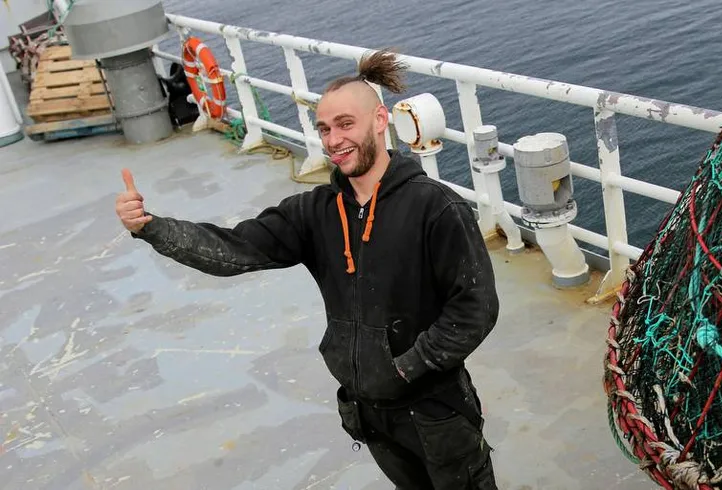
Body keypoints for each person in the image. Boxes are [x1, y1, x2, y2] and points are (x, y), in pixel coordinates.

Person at [115, 50, 499, 489]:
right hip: (369, 412)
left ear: (379, 120)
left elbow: (476, 308)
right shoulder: (314, 212)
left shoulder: (436, 207)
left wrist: (406, 368)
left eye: (345, 124)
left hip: (436, 412)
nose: (333, 140)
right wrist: (151, 228)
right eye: (324, 128)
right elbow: (235, 249)